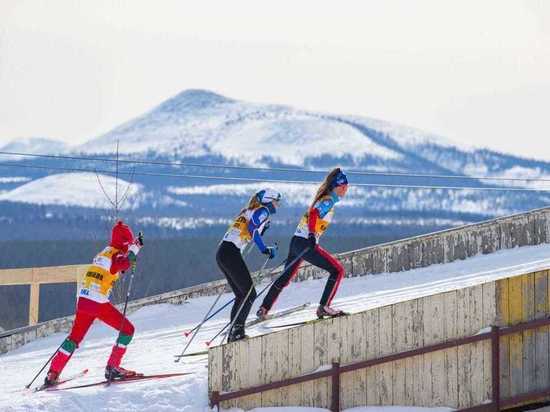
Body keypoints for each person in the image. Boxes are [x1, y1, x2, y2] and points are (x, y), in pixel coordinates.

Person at [43, 220, 144, 387]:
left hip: (83, 300)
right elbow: (123, 262)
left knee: (74, 338)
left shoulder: (103, 253)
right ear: (125, 242)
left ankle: (53, 372)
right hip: (97, 302)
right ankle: (113, 367)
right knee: (127, 330)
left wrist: (131, 252)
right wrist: (135, 248)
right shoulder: (116, 254)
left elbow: (118, 266)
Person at [257, 168, 348, 320]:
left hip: (296, 242)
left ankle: (264, 308)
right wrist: (312, 234)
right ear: (339, 186)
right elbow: (313, 214)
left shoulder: (325, 198)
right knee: (337, 271)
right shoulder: (328, 200)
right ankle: (324, 306)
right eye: (345, 187)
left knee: (284, 278)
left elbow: (313, 213)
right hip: (306, 242)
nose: (346, 190)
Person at [216, 189, 281, 342]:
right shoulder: (263, 210)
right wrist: (264, 249)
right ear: (269, 201)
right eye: (276, 202)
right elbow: (252, 229)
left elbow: (251, 231)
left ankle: (234, 332)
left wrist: (262, 230)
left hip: (223, 252)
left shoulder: (250, 210)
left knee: (242, 294)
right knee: (249, 294)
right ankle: (237, 331)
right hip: (231, 252)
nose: (278, 205)